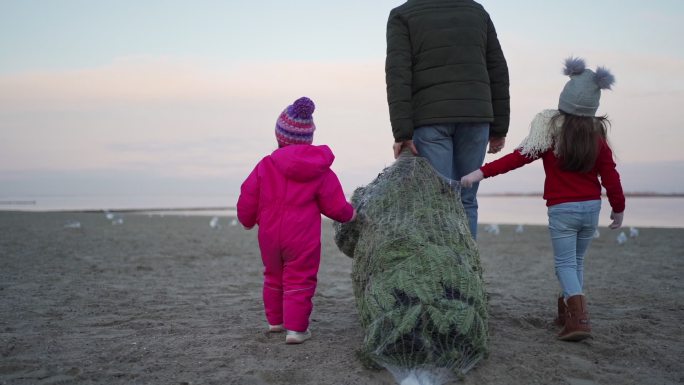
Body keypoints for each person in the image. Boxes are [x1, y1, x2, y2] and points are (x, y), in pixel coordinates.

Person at [461, 57, 625, 341]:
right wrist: (618, 208)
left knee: (564, 264)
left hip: (563, 209)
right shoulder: (597, 138)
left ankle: (580, 319)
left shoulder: (550, 133)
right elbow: (610, 174)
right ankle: (566, 314)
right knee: (576, 262)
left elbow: (518, 157)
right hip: (591, 208)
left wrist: (480, 173)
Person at [385, 0, 510, 239]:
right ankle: (467, 271)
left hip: (430, 120)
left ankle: (443, 271)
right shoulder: (476, 11)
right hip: (476, 116)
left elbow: (398, 74)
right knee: (466, 199)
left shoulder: (403, 14)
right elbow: (498, 70)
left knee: (440, 200)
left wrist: (402, 133)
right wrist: (499, 127)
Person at [237, 97, 356, 344]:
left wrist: (247, 220)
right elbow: (334, 204)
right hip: (302, 237)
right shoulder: (320, 170)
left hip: (269, 234)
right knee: (300, 277)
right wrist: (351, 214)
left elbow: (248, 195)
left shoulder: (265, 166)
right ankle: (296, 330)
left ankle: (275, 322)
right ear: (309, 138)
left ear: (279, 137)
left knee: (273, 275)